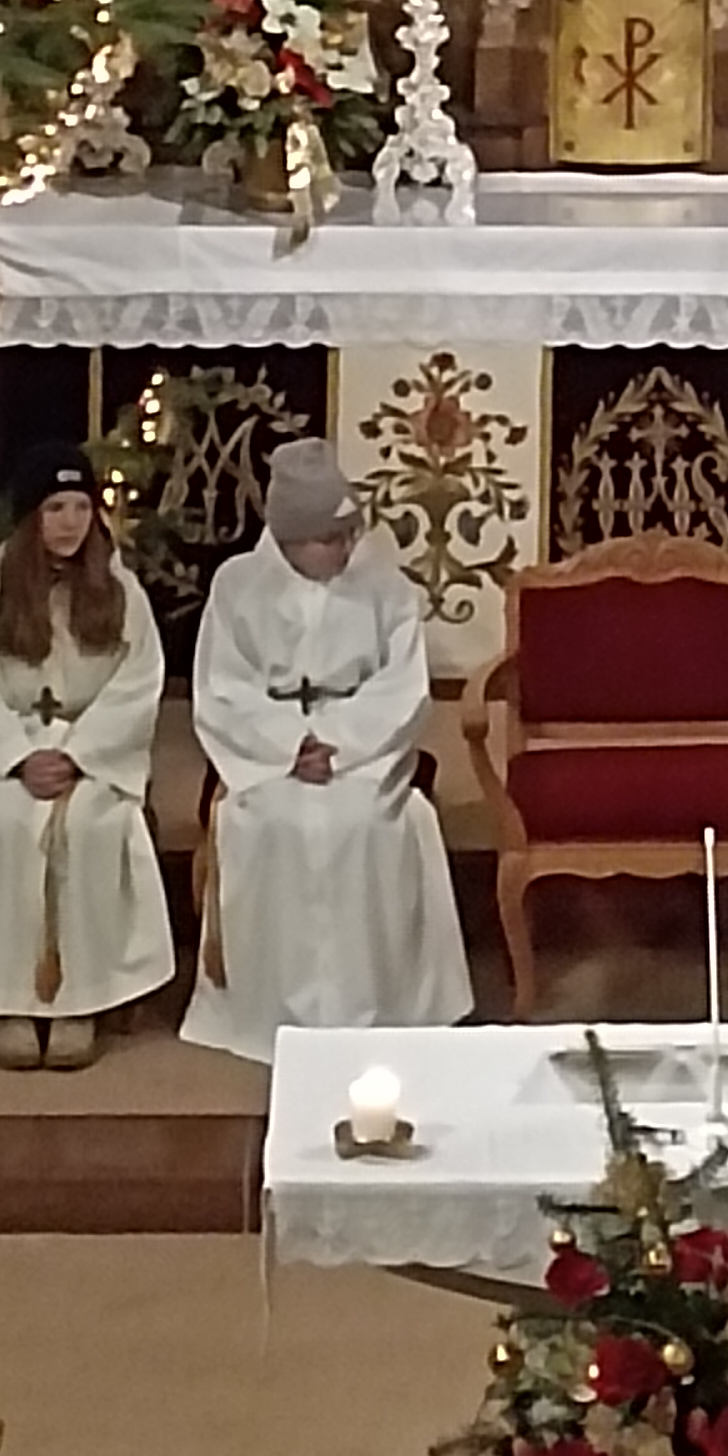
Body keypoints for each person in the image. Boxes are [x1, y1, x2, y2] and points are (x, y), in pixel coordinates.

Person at [182, 440, 471, 1062]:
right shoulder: (238, 586)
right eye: (326, 539)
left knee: (366, 824)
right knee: (270, 826)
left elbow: (402, 686)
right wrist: (289, 744)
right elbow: (223, 685)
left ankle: (378, 1004)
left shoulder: (385, 587)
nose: (343, 549)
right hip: (267, 758)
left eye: (348, 535)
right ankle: (271, 1010)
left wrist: (337, 743)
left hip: (360, 757)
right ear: (288, 540)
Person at [0, 462, 173, 1070]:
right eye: (55, 509)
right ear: (30, 518)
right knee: (7, 823)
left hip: (91, 751)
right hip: (9, 753)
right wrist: (17, 755)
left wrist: (81, 753)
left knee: (91, 825)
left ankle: (80, 999)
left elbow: (139, 682)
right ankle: (7, 998)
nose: (69, 523)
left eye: (81, 507)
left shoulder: (121, 591)